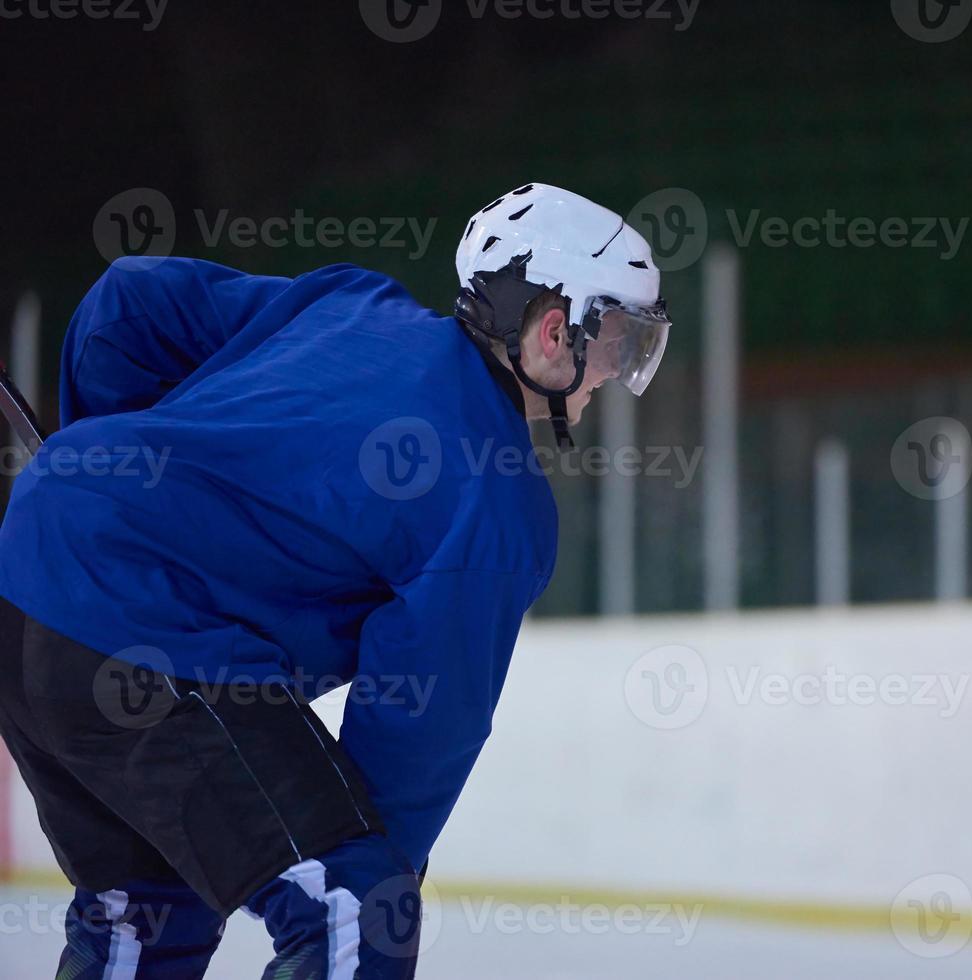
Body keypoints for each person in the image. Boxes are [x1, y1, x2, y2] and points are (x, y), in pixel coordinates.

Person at [0, 182, 671, 977]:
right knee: (359, 918)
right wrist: (377, 866)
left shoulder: (352, 306)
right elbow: (418, 737)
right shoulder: (494, 497)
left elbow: (127, 304)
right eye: (618, 340)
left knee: (144, 913)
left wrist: (104, 482)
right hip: (151, 633)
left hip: (24, 585)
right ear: (553, 329)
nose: (615, 371)